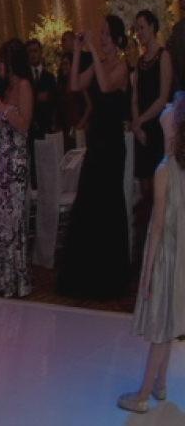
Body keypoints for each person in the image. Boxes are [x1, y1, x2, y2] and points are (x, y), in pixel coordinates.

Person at [119, 92, 185, 414]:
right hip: (182, 254)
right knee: (170, 322)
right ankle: (159, 382)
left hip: (166, 256)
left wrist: (146, 274)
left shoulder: (165, 170)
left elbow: (157, 226)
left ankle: (143, 393)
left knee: (160, 325)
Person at [60, 16, 133, 300]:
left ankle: (110, 276)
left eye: (105, 34)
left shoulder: (122, 68)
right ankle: (86, 274)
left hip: (113, 144)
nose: (101, 37)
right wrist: (78, 51)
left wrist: (92, 46)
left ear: (116, 39)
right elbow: (75, 85)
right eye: (99, 33)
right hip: (96, 143)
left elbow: (104, 87)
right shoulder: (99, 64)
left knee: (109, 204)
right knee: (89, 202)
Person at [0, 40, 34, 298]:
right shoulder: (8, 88)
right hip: (2, 155)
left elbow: (23, 125)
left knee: (12, 218)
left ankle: (15, 278)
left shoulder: (24, 86)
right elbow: (4, 127)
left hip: (17, 160)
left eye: (2, 60)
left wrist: (1, 107)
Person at [133, 10, 173, 273]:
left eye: (142, 28)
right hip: (141, 130)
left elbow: (162, 98)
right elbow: (135, 96)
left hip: (157, 129)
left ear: (153, 27)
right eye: (136, 29)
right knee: (145, 190)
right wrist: (136, 123)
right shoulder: (139, 61)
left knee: (158, 192)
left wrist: (142, 122)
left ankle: (160, 251)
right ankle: (144, 253)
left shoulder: (163, 56)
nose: (139, 33)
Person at [26, 39, 59, 140]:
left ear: (40, 52)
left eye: (35, 51)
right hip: (29, 127)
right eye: (30, 52)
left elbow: (55, 100)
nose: (32, 54)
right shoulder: (24, 76)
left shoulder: (49, 77)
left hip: (46, 126)